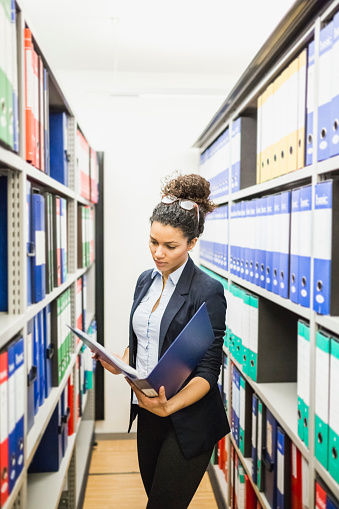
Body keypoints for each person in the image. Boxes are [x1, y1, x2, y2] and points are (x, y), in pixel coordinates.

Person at [98, 173, 230, 508]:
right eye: (153, 242)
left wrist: (169, 406)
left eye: (170, 246)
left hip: (188, 419)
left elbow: (208, 368)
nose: (158, 253)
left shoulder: (207, 290)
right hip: (149, 413)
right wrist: (119, 362)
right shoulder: (145, 281)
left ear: (191, 243)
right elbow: (147, 341)